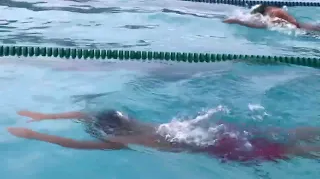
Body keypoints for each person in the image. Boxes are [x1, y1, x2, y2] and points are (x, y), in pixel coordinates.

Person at [7, 109, 320, 162]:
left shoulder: (124, 142)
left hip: (217, 149)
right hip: (217, 131)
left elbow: (74, 143)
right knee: (282, 134)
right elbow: (89, 113)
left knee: (289, 152)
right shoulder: (138, 123)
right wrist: (45, 116)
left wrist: (34, 133)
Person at [223, 4, 320, 31]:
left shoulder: (273, 13)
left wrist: (238, 21)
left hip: (303, 30)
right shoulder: (276, 10)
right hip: (305, 27)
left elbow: (264, 25)